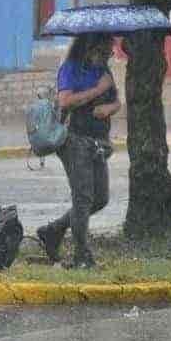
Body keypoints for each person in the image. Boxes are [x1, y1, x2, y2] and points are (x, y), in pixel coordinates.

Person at [37, 33, 121, 269]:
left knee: (100, 198)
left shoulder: (103, 71)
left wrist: (109, 108)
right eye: (105, 51)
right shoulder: (70, 69)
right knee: (83, 199)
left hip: (98, 143)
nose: (109, 56)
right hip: (74, 140)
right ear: (90, 48)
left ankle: (53, 230)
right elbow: (65, 101)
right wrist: (97, 90)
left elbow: (117, 101)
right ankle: (82, 256)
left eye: (109, 52)